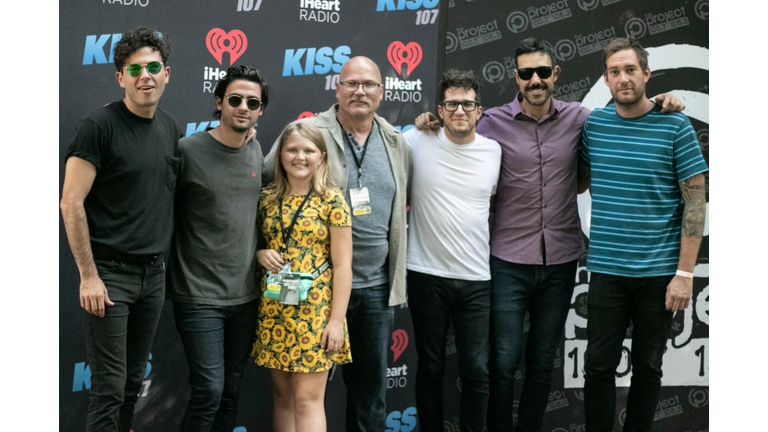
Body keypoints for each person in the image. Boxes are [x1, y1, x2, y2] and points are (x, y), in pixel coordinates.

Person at [415, 38, 685, 432]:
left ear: (555, 74)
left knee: (542, 363)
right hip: (507, 261)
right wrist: (430, 121)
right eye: (527, 73)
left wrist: (666, 100)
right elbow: (454, 126)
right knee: (503, 362)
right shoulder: (488, 121)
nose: (535, 79)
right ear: (516, 77)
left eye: (543, 71)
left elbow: (629, 108)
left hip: (560, 261)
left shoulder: (582, 118)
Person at [263, 56, 411, 432]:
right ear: (337, 88)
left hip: (374, 286)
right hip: (314, 292)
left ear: (382, 91)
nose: (360, 91)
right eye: (351, 83)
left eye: (369, 84)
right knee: (302, 396)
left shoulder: (396, 141)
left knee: (369, 394)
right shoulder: (307, 131)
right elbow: (264, 186)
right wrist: (258, 249)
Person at [578, 37, 707, 432]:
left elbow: (696, 203)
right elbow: (579, 181)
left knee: (649, 367)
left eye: (630, 69)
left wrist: (684, 274)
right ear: (606, 79)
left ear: (647, 74)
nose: (623, 78)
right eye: (614, 71)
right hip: (606, 271)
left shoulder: (675, 125)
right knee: (598, 367)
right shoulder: (594, 125)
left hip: (658, 275)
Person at [59, 27, 181, 432]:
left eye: (152, 67)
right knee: (109, 388)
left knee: (131, 385)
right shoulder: (99, 126)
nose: (144, 76)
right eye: (134, 69)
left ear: (167, 73)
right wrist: (89, 277)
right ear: (120, 77)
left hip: (154, 277)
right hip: (109, 277)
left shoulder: (169, 128)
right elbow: (70, 202)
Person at [166, 65, 269, 431]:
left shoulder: (257, 151)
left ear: (260, 111)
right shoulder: (187, 151)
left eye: (252, 102)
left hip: (245, 296)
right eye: (236, 99)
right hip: (197, 296)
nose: (243, 107)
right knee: (209, 389)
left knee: (230, 391)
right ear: (219, 102)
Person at [404, 69, 500, 432]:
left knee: (476, 369)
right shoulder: (415, 140)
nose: (460, 110)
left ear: (480, 110)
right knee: (430, 367)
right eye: (452, 104)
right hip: (425, 274)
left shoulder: (494, 151)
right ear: (440, 110)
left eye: (467, 104)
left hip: (477, 278)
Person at [254, 121, 353, 432]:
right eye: (292, 149)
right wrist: (259, 255)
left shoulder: (332, 200)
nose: (300, 157)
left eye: (308, 150)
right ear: (280, 155)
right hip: (274, 310)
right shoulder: (267, 198)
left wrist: (336, 321)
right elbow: (255, 245)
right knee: (282, 397)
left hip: (316, 312)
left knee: (307, 400)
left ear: (321, 157)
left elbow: (344, 265)